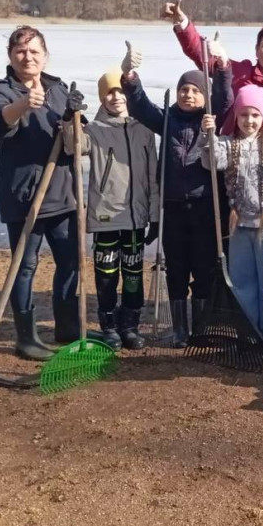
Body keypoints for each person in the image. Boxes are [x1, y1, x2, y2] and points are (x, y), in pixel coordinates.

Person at [0, 26, 86, 360]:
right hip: (24, 194)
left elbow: (78, 145)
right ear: (11, 56)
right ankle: (26, 337)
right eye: (20, 51)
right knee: (24, 267)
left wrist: (75, 119)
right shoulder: (0, 89)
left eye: (34, 51)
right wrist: (24, 104)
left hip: (61, 192)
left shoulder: (57, 89)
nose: (27, 57)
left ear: (45, 55)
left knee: (70, 262)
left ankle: (67, 326)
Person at [122, 52, 223, 348]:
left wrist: (211, 132)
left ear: (205, 97)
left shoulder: (212, 123)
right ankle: (180, 329)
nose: (188, 94)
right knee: (176, 267)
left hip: (204, 207)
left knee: (203, 268)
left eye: (195, 90)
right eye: (184, 90)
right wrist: (130, 78)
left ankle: (201, 327)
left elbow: (228, 100)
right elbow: (140, 106)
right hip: (173, 208)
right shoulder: (167, 120)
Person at [62, 53, 159, 351]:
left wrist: (154, 215)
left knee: (133, 274)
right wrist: (70, 118)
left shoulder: (144, 129)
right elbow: (71, 145)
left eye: (120, 91)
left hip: (135, 217)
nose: (116, 97)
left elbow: (154, 175)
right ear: (102, 98)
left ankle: (129, 324)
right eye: (109, 93)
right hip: (106, 217)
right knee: (106, 276)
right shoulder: (94, 131)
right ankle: (108, 326)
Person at [203, 83, 263, 354]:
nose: (249, 120)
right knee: (243, 281)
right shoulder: (226, 143)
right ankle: (250, 332)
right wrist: (208, 135)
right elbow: (211, 163)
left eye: (255, 115)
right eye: (244, 114)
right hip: (239, 223)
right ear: (236, 115)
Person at [163, 0, 263, 135]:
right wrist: (182, 23)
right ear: (256, 50)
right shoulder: (238, 72)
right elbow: (201, 54)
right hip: (230, 152)